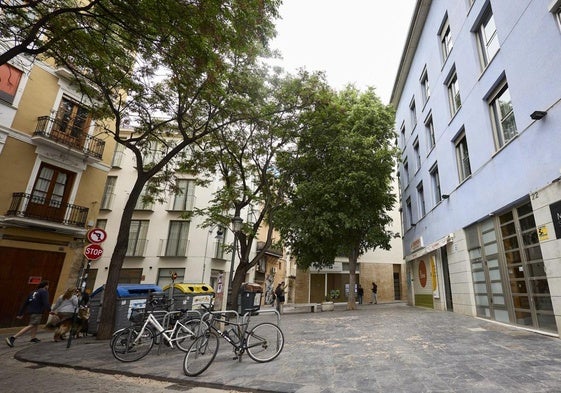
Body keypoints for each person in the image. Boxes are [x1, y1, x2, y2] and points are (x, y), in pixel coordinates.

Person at [6, 280, 50, 347]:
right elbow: (46, 302)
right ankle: (13, 338)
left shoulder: (33, 292)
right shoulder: (44, 291)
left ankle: (33, 338)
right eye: (48, 285)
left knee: (35, 324)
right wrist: (50, 310)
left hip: (31, 311)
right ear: (46, 286)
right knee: (32, 325)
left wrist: (20, 313)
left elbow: (25, 303)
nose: (48, 287)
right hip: (38, 311)